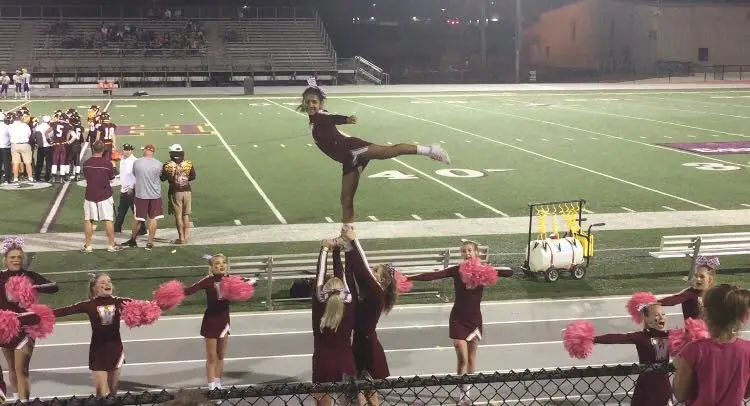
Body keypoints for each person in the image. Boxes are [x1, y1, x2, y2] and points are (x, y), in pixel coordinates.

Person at [298, 79, 450, 239]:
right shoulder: (315, 118)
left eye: (314, 102)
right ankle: (347, 233)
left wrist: (346, 119)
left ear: (321, 104)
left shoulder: (321, 116)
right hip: (348, 159)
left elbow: (331, 118)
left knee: (389, 151)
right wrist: (313, 86)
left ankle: (431, 150)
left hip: (354, 149)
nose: (311, 105)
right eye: (308, 102)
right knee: (346, 197)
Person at [408, 240, 512, 406]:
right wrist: (408, 277)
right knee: (462, 357)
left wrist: (490, 269)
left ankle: (466, 391)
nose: (467, 253)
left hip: (474, 320)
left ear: (476, 252)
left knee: (471, 358)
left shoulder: (483, 271)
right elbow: (432, 276)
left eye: (470, 250)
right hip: (458, 318)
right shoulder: (457, 270)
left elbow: (509, 272)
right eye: (464, 251)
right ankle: (462, 390)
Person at [567, 299, 673, 406]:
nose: (662, 317)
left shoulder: (670, 335)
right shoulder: (641, 337)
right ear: (646, 318)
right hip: (645, 386)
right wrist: (593, 339)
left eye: (663, 314)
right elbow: (616, 338)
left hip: (662, 387)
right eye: (657, 315)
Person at [53, 273, 136, 397]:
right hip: (98, 352)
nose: (107, 284)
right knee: (101, 394)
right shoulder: (89, 305)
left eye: (109, 281)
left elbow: (143, 306)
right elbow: (65, 311)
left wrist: (160, 304)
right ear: (94, 288)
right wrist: (39, 314)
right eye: (102, 282)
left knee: (113, 394)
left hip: (115, 350)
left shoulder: (120, 302)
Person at [340, 231, 398, 406]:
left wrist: (353, 241)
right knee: (367, 391)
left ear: (383, 280)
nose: (372, 271)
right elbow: (353, 276)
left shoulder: (376, 293)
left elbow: (361, 271)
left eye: (376, 271)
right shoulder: (372, 293)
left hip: (366, 347)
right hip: (362, 343)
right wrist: (348, 249)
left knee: (361, 391)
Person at [0, 236, 59, 402]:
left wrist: (32, 286)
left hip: (26, 326)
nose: (16, 260)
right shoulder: (0, 277)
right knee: (12, 367)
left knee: (22, 370)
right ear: (5, 259)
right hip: (5, 328)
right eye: (12, 257)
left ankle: (24, 402)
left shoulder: (30, 275)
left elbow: (54, 286)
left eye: (19, 257)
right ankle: (18, 398)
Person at [672, 284, 750, 405]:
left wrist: (679, 367)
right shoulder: (747, 349)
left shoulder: (694, 349)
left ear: (706, 313)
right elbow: (746, 392)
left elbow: (680, 395)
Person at [181, 255, 236, 390]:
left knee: (221, 355)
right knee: (211, 357)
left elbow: (248, 283)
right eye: (217, 263)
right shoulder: (207, 281)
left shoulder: (231, 280)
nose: (221, 265)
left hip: (224, 321)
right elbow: (190, 290)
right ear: (211, 268)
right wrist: (173, 291)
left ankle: (218, 384)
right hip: (211, 322)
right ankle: (211, 387)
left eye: (223, 263)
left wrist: (251, 282)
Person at [311, 239, 356, 406]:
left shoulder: (319, 306)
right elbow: (343, 276)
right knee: (350, 403)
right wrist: (336, 252)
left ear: (324, 292)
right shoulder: (349, 305)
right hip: (346, 362)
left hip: (323, 362)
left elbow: (319, 276)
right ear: (343, 291)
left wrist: (324, 249)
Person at [123, 144, 163, 250]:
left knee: (138, 219)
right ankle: (150, 242)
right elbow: (160, 176)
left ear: (145, 150)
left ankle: (133, 240)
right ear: (153, 152)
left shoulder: (137, 162)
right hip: (155, 195)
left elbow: (135, 175)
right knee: (153, 218)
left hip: (141, 195)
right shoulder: (158, 163)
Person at [82, 141, 119, 253]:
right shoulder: (107, 163)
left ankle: (88, 246)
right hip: (105, 195)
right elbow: (112, 179)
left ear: (93, 149)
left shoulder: (86, 163)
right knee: (108, 219)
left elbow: (87, 178)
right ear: (103, 150)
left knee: (89, 220)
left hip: (90, 195)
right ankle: (111, 245)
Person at [659, 256, 718, 320]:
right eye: (696, 276)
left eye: (702, 277)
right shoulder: (690, 293)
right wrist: (655, 302)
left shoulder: (716, 294)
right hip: (692, 326)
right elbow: (674, 299)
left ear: (710, 279)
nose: (698, 279)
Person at [161, 144, 195, 244]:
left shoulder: (167, 165)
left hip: (175, 192)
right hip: (187, 190)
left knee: (178, 216)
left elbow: (162, 178)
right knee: (186, 214)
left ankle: (181, 238)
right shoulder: (188, 163)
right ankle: (186, 236)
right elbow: (193, 176)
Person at [114, 144, 144, 236]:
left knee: (135, 211)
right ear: (123, 150)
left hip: (131, 190)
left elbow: (137, 176)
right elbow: (124, 173)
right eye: (125, 150)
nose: (127, 151)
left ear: (131, 151)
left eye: (129, 150)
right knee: (122, 210)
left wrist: (131, 187)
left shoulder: (134, 161)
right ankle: (117, 229)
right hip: (124, 189)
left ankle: (142, 230)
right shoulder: (123, 159)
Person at [8, 112, 33, 183]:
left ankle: (15, 178)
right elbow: (29, 134)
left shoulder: (10, 126)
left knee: (15, 162)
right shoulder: (25, 125)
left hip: (14, 145)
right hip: (24, 144)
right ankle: (30, 177)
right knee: (28, 162)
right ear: (20, 117)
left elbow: (9, 135)